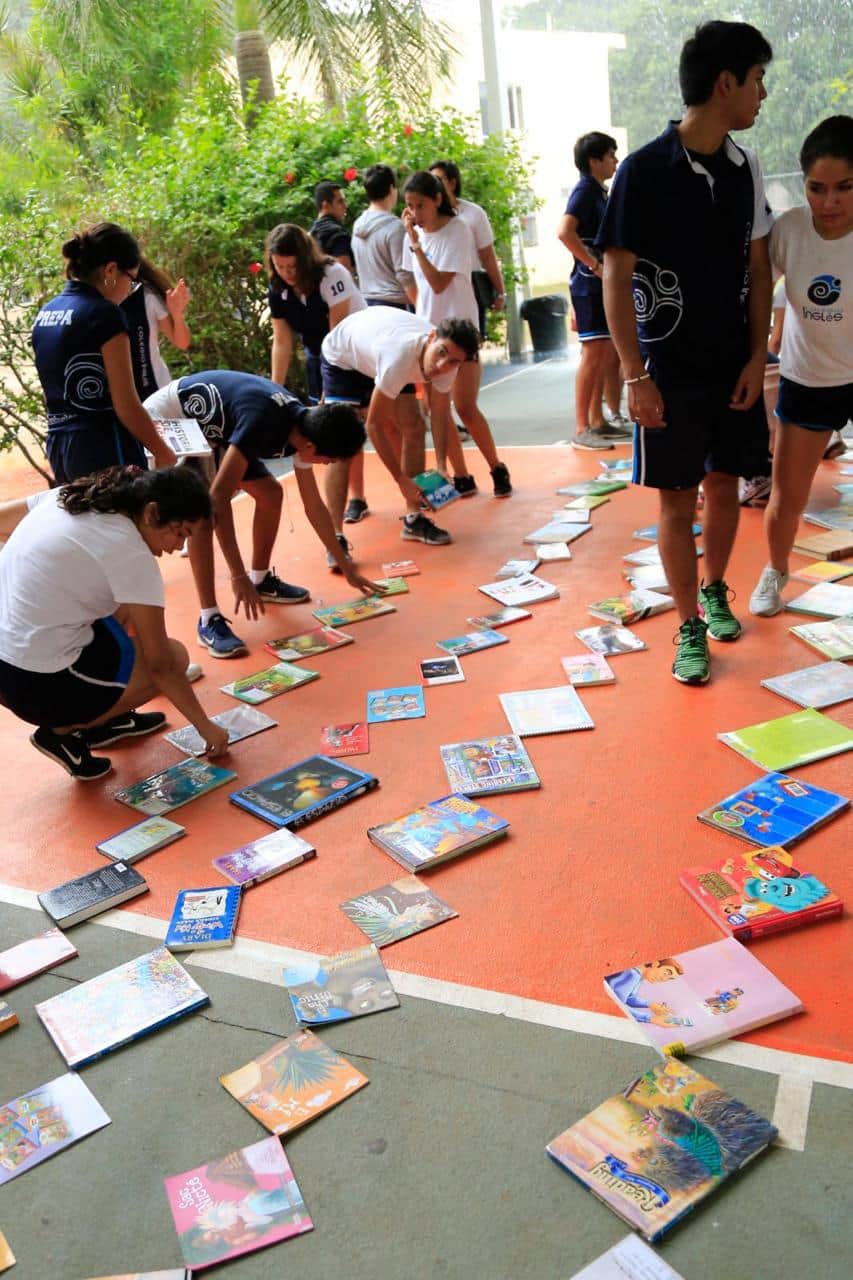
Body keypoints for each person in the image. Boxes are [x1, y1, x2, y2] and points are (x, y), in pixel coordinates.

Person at [599, 20, 774, 686]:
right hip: (665, 370)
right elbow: (614, 277)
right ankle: (687, 628)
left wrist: (756, 358)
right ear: (724, 82)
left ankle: (714, 588)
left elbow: (757, 267)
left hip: (731, 363)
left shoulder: (743, 165)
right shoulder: (642, 171)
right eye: (756, 80)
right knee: (675, 501)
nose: (761, 94)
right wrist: (634, 376)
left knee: (724, 482)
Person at [0, 465, 229, 781]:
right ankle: (65, 730)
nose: (178, 547)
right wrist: (207, 728)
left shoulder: (68, 497)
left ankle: (102, 716)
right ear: (151, 512)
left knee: (124, 608)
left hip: (7, 665)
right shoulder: (132, 554)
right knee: (176, 657)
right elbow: (162, 665)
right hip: (35, 687)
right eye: (180, 533)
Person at [143, 371, 380, 658]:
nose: (327, 464)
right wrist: (236, 575)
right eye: (328, 460)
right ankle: (209, 619)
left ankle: (261, 579)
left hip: (220, 431)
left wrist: (346, 566)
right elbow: (217, 500)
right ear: (310, 447)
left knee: (270, 493)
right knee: (200, 516)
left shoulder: (304, 424)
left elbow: (313, 505)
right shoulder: (262, 421)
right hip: (174, 419)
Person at [749, 115, 853, 616]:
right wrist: (751, 356)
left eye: (844, 188)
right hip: (808, 379)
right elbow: (751, 294)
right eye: (816, 188)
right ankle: (776, 571)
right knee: (787, 500)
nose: (829, 203)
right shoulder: (788, 230)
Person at [320, 308, 480, 545]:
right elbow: (373, 426)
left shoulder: (447, 366)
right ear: (432, 337)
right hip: (344, 356)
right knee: (343, 441)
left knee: (415, 427)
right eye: (441, 353)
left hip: (380, 353)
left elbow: (439, 414)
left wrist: (440, 466)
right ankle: (335, 537)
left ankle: (414, 520)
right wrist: (400, 479)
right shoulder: (399, 358)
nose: (441, 365)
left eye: (453, 361)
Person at [31, 221, 175, 483]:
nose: (130, 290)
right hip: (103, 447)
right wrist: (163, 452)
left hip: (60, 444)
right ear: (110, 270)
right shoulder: (104, 314)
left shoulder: (47, 312)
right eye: (131, 281)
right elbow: (126, 405)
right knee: (121, 522)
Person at [401, 170, 512, 499]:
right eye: (409, 206)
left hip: (460, 332)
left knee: (464, 406)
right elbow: (419, 286)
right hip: (430, 336)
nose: (415, 214)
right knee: (437, 408)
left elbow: (438, 281)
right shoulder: (413, 237)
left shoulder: (457, 231)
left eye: (420, 205)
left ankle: (496, 466)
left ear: (437, 200)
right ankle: (460, 475)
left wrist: (416, 244)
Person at [345, 163, 419, 528]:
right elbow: (405, 276)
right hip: (393, 318)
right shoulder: (392, 228)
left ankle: (357, 497)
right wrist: (421, 311)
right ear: (391, 190)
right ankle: (414, 504)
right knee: (408, 421)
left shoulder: (357, 227)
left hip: (366, 316)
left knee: (371, 412)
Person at [557, 133, 631, 451]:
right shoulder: (585, 190)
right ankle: (582, 426)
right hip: (588, 285)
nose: (615, 161)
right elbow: (564, 231)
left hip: (600, 282)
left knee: (601, 354)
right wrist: (592, 264)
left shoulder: (599, 192)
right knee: (591, 353)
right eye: (611, 155)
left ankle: (598, 421)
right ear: (594, 161)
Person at [267, 223, 365, 407]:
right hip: (316, 356)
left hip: (353, 353)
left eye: (292, 266)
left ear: (304, 259)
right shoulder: (277, 287)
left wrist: (329, 390)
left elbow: (337, 337)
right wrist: (275, 391)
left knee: (359, 420)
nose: (286, 273)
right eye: (279, 266)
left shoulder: (332, 274)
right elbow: (281, 341)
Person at [428, 159, 507, 339]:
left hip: (469, 285)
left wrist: (500, 292)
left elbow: (487, 255)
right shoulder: (426, 218)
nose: (435, 185)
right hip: (437, 288)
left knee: (470, 344)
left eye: (439, 179)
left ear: (453, 182)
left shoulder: (473, 214)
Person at [121, 256, 191, 402]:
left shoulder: (147, 297)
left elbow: (182, 343)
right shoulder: (96, 300)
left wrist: (177, 314)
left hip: (155, 390)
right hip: (119, 396)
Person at [309, 181, 354, 272]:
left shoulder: (309, 235)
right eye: (340, 201)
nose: (345, 205)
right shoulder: (337, 234)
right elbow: (344, 273)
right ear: (325, 205)